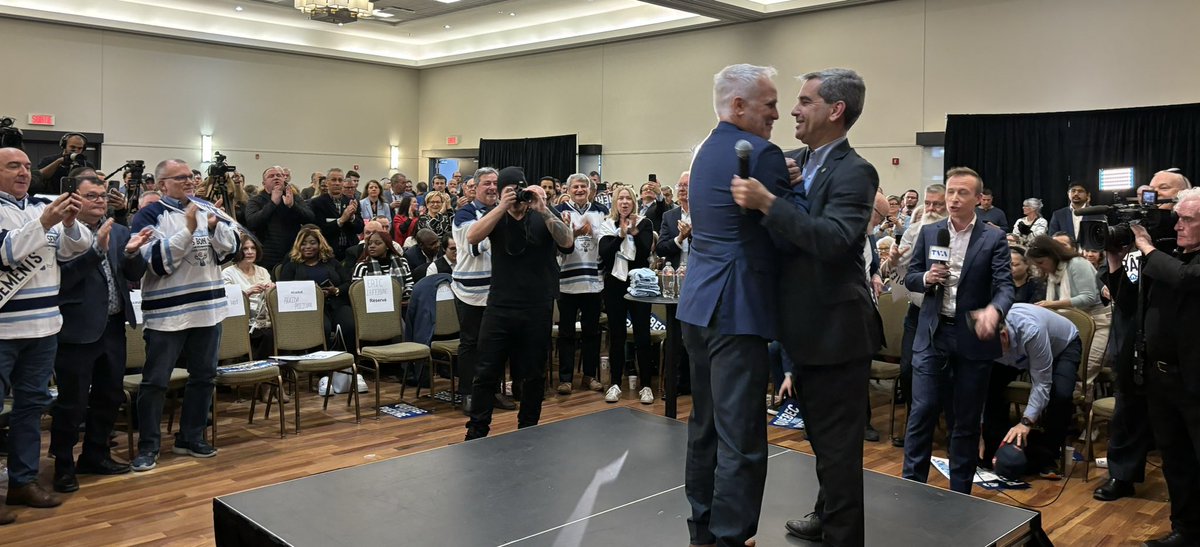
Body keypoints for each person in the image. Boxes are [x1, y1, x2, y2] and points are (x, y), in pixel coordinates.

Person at [731, 67, 881, 546]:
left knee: (838, 449)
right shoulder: (796, 160)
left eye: (805, 101)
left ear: (836, 111)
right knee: (820, 438)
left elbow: (835, 240)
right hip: (802, 329)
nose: (792, 110)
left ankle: (842, 535)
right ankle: (824, 511)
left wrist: (771, 203)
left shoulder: (856, 171)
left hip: (837, 331)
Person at [677, 63, 789, 547]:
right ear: (739, 106)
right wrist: (795, 190)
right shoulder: (762, 154)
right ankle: (730, 538)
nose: (778, 114)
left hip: (698, 304)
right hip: (736, 308)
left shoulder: (704, 152)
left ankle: (703, 528)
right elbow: (786, 230)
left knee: (704, 426)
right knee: (741, 438)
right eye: (770, 104)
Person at [902, 166, 1014, 494]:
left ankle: (960, 496)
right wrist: (925, 279)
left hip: (972, 336)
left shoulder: (992, 237)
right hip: (933, 333)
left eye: (962, 193)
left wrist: (994, 311)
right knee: (921, 412)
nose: (953, 198)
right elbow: (911, 276)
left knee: (964, 421)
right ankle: (911, 491)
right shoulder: (931, 232)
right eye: (950, 192)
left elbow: (1005, 286)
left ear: (978, 199)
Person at [128, 159, 240, 472]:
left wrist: (215, 227)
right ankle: (148, 446)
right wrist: (189, 230)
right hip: (168, 313)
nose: (190, 182)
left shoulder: (207, 208)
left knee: (204, 377)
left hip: (208, 309)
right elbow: (157, 262)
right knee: (156, 382)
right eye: (180, 178)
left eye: (191, 176)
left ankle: (190, 437)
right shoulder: (149, 214)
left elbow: (230, 251)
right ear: (162, 184)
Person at [0, 149, 92, 518]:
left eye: (26, 166)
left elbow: (77, 247)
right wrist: (44, 222)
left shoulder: (42, 204)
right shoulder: (37, 212)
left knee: (31, 407)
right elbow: (7, 253)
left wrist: (67, 223)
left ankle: (23, 482)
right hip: (4, 329)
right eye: (13, 166)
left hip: (43, 327)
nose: (24, 172)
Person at [1094, 169, 1191, 505]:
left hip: (1172, 342)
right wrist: (1112, 256)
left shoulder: (1181, 235)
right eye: (1149, 187)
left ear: (1181, 196)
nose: (1151, 191)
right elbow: (1123, 290)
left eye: (1162, 188)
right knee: (1128, 409)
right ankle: (1122, 475)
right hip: (1132, 334)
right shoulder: (1139, 230)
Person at [51, 170, 149, 494]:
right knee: (73, 403)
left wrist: (134, 253)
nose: (100, 202)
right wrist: (96, 250)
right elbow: (62, 281)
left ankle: (96, 455)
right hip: (76, 330)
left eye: (103, 196)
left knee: (108, 396)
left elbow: (132, 275)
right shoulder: (60, 233)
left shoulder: (119, 231)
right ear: (74, 199)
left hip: (113, 326)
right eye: (91, 196)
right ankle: (63, 465)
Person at [463, 167, 573, 440]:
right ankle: (477, 432)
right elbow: (472, 237)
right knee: (486, 371)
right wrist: (502, 206)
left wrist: (544, 209)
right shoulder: (496, 216)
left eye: (519, 191)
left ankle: (528, 429)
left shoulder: (542, 215)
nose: (517, 198)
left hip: (537, 306)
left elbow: (568, 242)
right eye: (509, 191)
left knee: (534, 374)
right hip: (500, 305)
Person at [1126, 186, 1200, 547]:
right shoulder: (1169, 253)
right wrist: (1117, 257)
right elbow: (1129, 295)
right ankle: (1186, 529)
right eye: (1178, 218)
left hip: (1195, 381)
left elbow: (1188, 279)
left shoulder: (1176, 260)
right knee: (1175, 459)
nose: (1179, 225)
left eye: (1188, 219)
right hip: (1161, 376)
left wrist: (1147, 247)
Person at [981, 303, 1081, 478]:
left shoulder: (1031, 330)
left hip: (1062, 347)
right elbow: (976, 386)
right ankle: (996, 446)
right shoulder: (985, 336)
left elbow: (1042, 382)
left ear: (1003, 336)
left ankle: (1049, 457)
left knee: (1061, 395)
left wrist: (1026, 422)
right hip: (1017, 354)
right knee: (990, 386)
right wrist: (977, 429)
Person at [888, 185, 948, 445]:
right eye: (929, 204)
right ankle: (916, 423)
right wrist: (891, 260)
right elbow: (901, 271)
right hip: (916, 311)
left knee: (942, 373)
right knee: (908, 369)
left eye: (938, 205)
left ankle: (936, 421)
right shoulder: (914, 230)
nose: (932, 210)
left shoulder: (954, 235)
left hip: (944, 314)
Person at [1025, 234, 1109, 395]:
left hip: (1099, 323)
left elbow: (1089, 297)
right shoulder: (1053, 272)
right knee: (1063, 374)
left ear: (1052, 255)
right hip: (1073, 327)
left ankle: (1080, 413)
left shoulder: (1076, 263)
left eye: (1041, 263)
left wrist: (1051, 304)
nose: (1040, 267)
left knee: (1081, 374)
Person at [598, 185, 656, 404]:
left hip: (639, 284)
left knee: (642, 335)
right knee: (617, 334)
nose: (624, 202)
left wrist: (634, 232)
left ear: (634, 202)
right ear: (615, 202)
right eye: (620, 199)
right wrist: (621, 233)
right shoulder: (607, 224)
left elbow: (643, 251)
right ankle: (614, 384)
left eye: (628, 199)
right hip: (615, 284)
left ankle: (646, 386)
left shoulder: (645, 223)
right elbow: (605, 253)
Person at [553, 173, 608, 395]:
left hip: (594, 281)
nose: (579, 190)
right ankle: (565, 379)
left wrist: (594, 233)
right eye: (575, 187)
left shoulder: (602, 212)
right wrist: (572, 234)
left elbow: (607, 242)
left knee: (592, 332)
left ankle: (590, 375)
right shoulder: (559, 212)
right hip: (567, 281)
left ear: (589, 189)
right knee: (566, 333)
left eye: (583, 187)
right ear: (567, 189)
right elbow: (555, 246)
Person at [451, 168, 501, 412]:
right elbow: (476, 244)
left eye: (495, 183)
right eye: (486, 184)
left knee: (496, 343)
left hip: (497, 288)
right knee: (470, 343)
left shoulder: (503, 210)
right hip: (469, 288)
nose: (492, 187)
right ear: (475, 187)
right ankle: (468, 392)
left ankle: (492, 391)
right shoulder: (464, 214)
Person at [278, 226, 356, 351]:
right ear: (298, 246)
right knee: (322, 328)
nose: (308, 246)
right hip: (309, 308)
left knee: (350, 325)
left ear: (320, 244)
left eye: (312, 243)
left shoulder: (331, 262)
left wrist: (335, 290)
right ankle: (321, 366)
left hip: (335, 303)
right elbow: (284, 290)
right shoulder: (292, 265)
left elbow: (348, 282)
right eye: (303, 244)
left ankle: (349, 361)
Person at [656, 171, 693, 395]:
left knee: (694, 337)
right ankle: (678, 383)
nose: (681, 189)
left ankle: (695, 381)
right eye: (679, 185)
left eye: (687, 185)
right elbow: (661, 248)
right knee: (676, 336)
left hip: (699, 281)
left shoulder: (704, 213)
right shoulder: (670, 216)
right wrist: (680, 238)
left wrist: (693, 235)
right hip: (675, 283)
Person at [245, 166, 314, 274]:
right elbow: (252, 222)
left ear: (284, 179)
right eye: (271, 176)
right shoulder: (256, 200)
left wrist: (292, 205)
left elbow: (310, 219)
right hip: (266, 256)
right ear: (264, 183)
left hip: (293, 254)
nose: (276, 177)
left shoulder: (294, 197)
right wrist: (273, 204)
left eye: (279, 175)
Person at [222, 233, 276, 360]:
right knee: (268, 335)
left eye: (253, 248)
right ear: (238, 251)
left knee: (278, 330)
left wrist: (271, 292)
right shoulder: (228, 273)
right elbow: (227, 301)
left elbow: (268, 299)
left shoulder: (262, 271)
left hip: (263, 319)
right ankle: (258, 369)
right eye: (245, 249)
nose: (250, 252)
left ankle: (268, 368)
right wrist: (247, 293)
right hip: (240, 321)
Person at [309, 168, 364, 261]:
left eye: (340, 180)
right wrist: (341, 220)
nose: (337, 183)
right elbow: (320, 230)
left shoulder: (351, 202)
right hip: (328, 252)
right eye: (334, 180)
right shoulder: (317, 203)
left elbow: (360, 228)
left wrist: (352, 217)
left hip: (350, 252)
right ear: (327, 182)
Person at [350, 230, 413, 295]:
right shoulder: (362, 266)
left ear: (387, 246)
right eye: (369, 243)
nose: (372, 246)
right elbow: (356, 291)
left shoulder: (402, 262)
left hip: (400, 302)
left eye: (378, 243)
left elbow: (409, 285)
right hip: (370, 303)